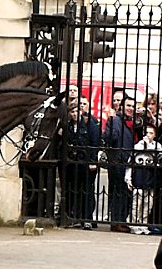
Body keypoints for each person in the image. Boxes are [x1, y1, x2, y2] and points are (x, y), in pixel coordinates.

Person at [104, 95, 137, 232]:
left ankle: (121, 220)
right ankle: (117, 222)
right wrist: (111, 120)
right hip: (118, 161)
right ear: (122, 107)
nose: (131, 109)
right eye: (128, 106)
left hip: (128, 161)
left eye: (133, 106)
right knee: (119, 192)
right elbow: (111, 137)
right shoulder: (116, 120)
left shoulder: (130, 122)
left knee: (126, 193)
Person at [64, 99, 99, 227]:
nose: (74, 114)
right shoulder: (67, 125)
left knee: (87, 191)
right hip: (72, 164)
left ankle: (87, 218)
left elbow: (95, 143)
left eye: (76, 111)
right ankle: (72, 217)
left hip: (85, 163)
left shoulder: (90, 124)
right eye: (72, 111)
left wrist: (92, 161)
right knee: (72, 190)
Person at [125, 125, 162, 234]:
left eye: (151, 133)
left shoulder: (157, 146)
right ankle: (134, 223)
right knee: (137, 202)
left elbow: (159, 157)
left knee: (148, 203)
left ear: (155, 135)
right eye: (146, 133)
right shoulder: (138, 145)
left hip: (150, 176)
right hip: (139, 175)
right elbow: (130, 162)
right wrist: (128, 178)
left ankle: (143, 223)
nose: (148, 135)